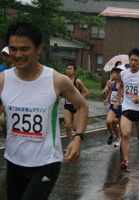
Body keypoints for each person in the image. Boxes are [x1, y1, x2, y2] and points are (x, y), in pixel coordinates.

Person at [2, 21, 88, 200]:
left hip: (46, 162)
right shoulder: (3, 80)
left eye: (24, 49)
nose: (18, 55)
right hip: (14, 161)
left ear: (39, 48)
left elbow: (82, 105)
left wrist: (78, 138)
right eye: (13, 49)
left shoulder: (56, 80)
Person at [64, 63, 89, 143]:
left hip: (76, 107)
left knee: (75, 128)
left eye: (70, 69)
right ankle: (71, 144)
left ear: (74, 71)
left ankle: (79, 138)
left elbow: (86, 92)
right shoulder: (64, 81)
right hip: (67, 106)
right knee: (67, 126)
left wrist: (78, 101)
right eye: (67, 69)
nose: (68, 71)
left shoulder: (77, 81)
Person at [104, 65, 125, 147]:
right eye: (117, 72)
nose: (117, 74)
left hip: (122, 107)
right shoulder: (113, 83)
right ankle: (113, 135)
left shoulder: (125, 84)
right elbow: (111, 91)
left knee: (121, 127)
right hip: (113, 106)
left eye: (120, 72)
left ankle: (122, 140)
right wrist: (107, 99)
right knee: (109, 121)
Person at [0, 46, 15, 138]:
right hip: (1, 98)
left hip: (11, 99)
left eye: (8, 55)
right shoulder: (0, 68)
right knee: (3, 123)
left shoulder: (17, 69)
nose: (6, 58)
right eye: (4, 55)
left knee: (2, 121)